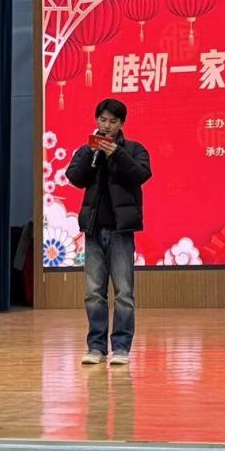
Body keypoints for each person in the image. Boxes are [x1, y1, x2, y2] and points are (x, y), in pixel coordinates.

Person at [66, 99, 152, 367]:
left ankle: (122, 347)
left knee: (124, 293)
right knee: (94, 292)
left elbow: (142, 175)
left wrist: (117, 153)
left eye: (113, 121)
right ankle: (96, 347)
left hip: (121, 231)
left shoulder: (134, 149)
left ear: (121, 123)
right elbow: (74, 178)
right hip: (93, 231)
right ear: (96, 120)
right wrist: (92, 156)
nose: (107, 126)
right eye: (102, 120)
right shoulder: (87, 150)